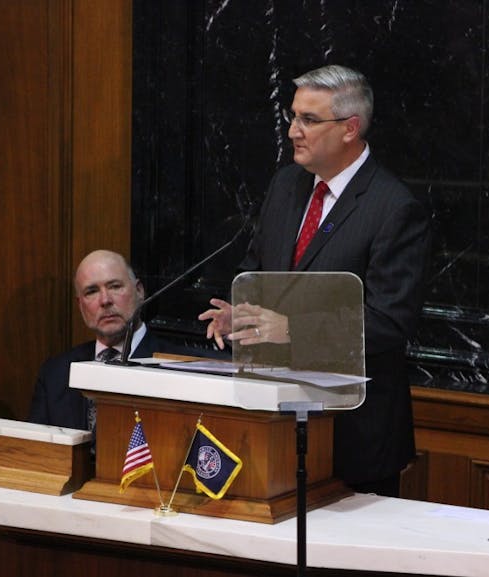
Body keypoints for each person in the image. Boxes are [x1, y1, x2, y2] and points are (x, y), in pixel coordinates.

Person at [199, 64, 430, 497]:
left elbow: (389, 321)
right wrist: (240, 311)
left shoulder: (393, 208)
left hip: (353, 437)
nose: (292, 131)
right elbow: (258, 270)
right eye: (293, 116)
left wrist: (292, 330)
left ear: (350, 128)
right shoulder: (287, 186)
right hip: (275, 422)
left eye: (308, 119)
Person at [29, 249, 188, 430]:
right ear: (80, 305)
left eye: (114, 286)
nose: (105, 300)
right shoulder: (55, 373)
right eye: (91, 291)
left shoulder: (180, 367)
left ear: (139, 291)